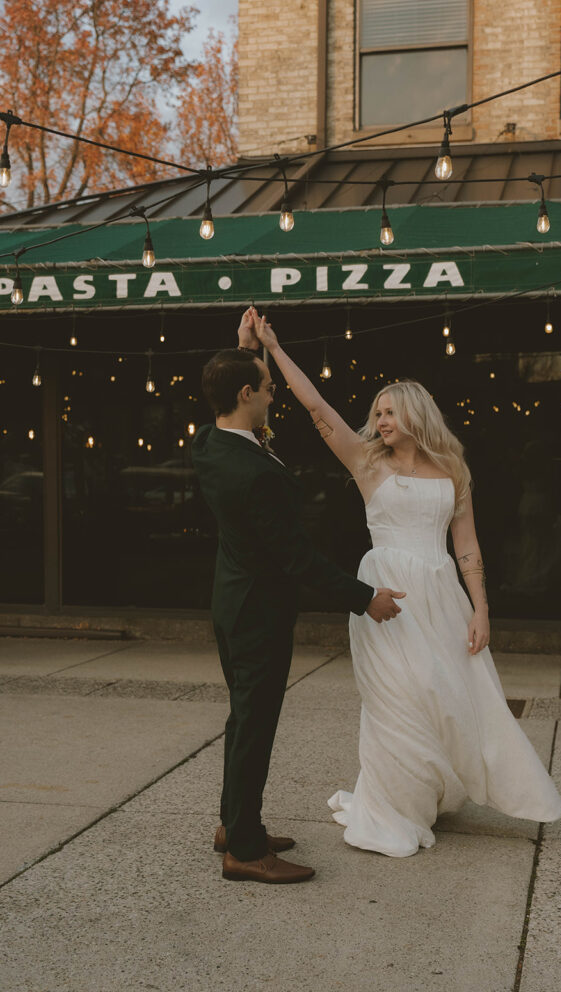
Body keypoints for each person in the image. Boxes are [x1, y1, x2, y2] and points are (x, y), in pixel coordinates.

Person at [250, 309, 561, 858]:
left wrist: (481, 609)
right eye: (378, 411)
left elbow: (466, 545)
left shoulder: (453, 470)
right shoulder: (367, 463)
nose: (382, 419)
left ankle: (429, 788)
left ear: (417, 415)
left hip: (441, 595)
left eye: (391, 410)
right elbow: (316, 408)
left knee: (445, 698)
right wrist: (273, 349)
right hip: (384, 595)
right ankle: (394, 805)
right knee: (395, 699)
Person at [191, 311, 406, 884]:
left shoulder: (210, 444)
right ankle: (244, 850)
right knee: (254, 726)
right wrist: (367, 599)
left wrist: (245, 349)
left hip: (231, 604)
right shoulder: (254, 475)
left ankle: (237, 824)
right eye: (264, 388)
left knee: (243, 721)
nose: (271, 397)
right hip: (259, 613)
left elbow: (230, 400)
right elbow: (299, 561)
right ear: (245, 394)